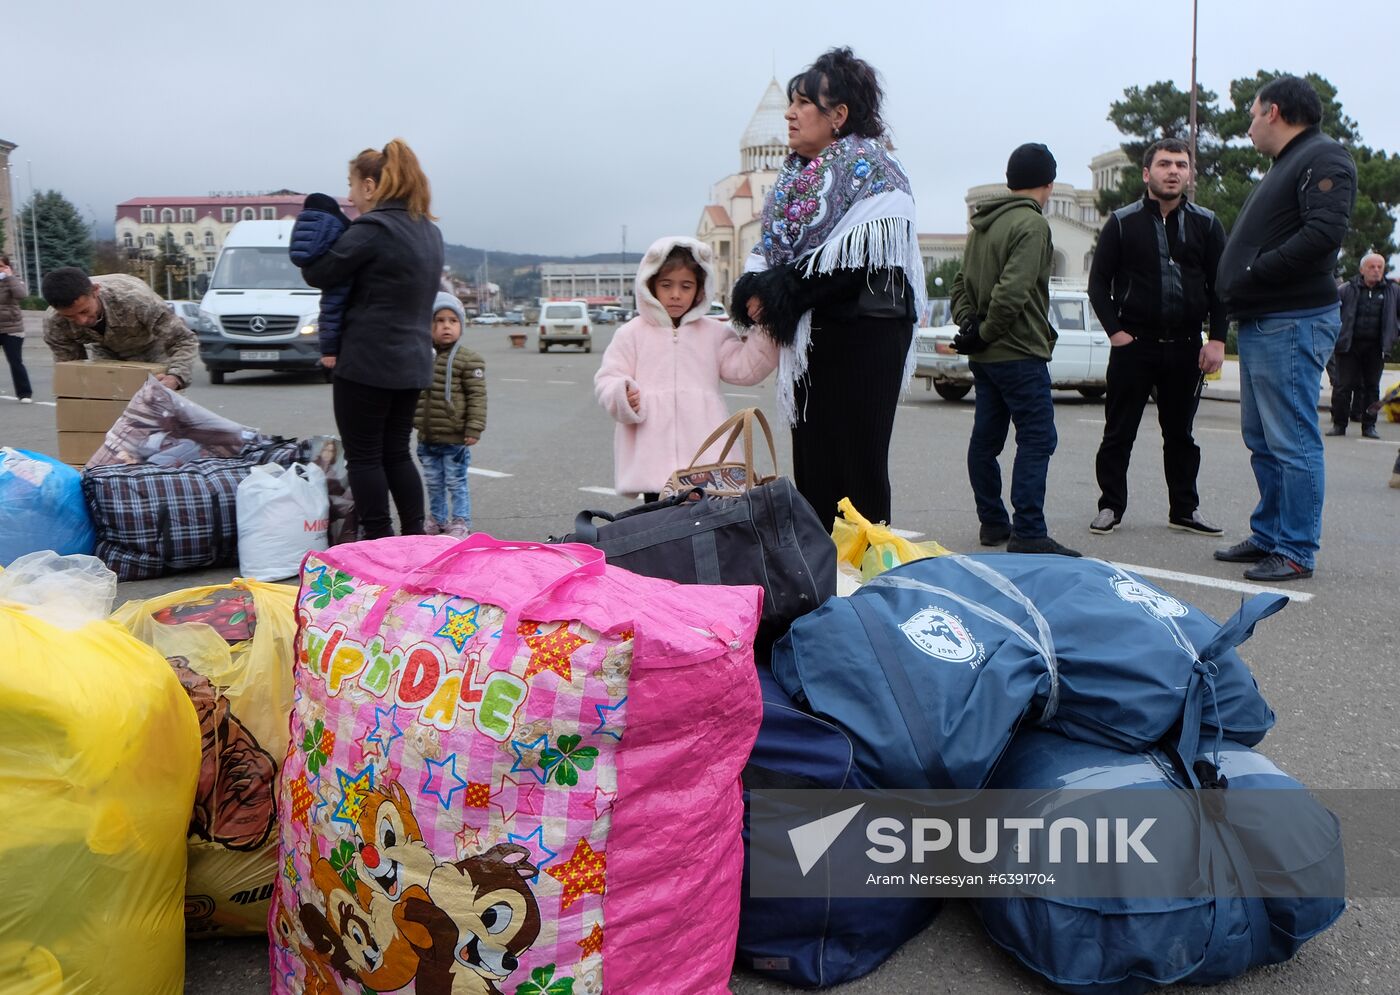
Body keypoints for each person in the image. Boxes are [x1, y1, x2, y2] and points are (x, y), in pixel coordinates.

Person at [729, 47, 923, 527]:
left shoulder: (876, 171)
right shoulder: (794, 180)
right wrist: (755, 288)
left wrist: (780, 290)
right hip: (813, 341)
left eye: (803, 104)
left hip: (866, 339)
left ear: (838, 115)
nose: (790, 115)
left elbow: (859, 260)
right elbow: (774, 251)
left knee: (857, 470)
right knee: (813, 468)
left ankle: (866, 581)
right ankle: (822, 581)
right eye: (789, 104)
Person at [1214, 75, 1357, 582]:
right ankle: (1271, 534)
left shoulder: (1324, 157)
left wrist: (1250, 272)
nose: (1249, 125)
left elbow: (1323, 235)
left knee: (1292, 440)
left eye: (1252, 115)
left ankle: (1295, 549)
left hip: (1292, 321)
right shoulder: (1288, 163)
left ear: (1273, 111)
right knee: (1263, 438)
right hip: (1264, 322)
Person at [298, 139, 444, 539]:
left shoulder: (373, 228)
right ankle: (415, 536)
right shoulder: (429, 232)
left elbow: (320, 273)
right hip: (413, 362)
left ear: (369, 185)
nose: (348, 196)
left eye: (351, 184)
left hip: (367, 361)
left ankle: (379, 540)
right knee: (397, 452)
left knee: (364, 456)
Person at [1087, 137, 1227, 538]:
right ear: (1147, 173)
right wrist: (1116, 333)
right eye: (1165, 164)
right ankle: (1110, 505)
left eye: (1181, 165)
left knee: (1181, 434)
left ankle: (1184, 508)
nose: (1173, 172)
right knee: (1119, 431)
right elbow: (1099, 284)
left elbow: (1220, 286)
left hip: (1186, 347)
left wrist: (1216, 339)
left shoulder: (1207, 223)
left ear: (1189, 174)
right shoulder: (1122, 222)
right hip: (1135, 346)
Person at [949, 143, 1080, 557]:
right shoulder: (1033, 225)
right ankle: (1029, 530)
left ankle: (992, 522)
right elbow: (1014, 291)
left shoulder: (982, 224)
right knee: (1038, 438)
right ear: (1048, 184)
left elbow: (959, 284)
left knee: (986, 441)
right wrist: (986, 331)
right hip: (1019, 351)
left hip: (986, 357)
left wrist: (969, 325)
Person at [596, 236, 777, 500]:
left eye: (686, 285)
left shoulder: (715, 333)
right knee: (659, 530)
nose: (676, 294)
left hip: (707, 461)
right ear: (650, 285)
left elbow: (745, 369)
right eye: (666, 285)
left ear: (700, 289)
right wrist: (623, 394)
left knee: (706, 532)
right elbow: (607, 379)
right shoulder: (631, 334)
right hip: (652, 463)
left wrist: (767, 327)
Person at [41, 268, 196, 389]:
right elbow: (72, 367)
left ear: (95, 291)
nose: (81, 321)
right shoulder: (55, 322)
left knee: (159, 408)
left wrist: (175, 377)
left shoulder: (136, 300)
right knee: (107, 400)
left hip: (152, 346)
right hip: (105, 349)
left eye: (84, 311)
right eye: (71, 317)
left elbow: (184, 340)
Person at [415, 292, 485, 538]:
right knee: (433, 483)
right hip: (427, 438)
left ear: (461, 326)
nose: (446, 326)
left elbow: (477, 397)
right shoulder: (421, 356)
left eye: (452, 321)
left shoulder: (469, 360)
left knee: (456, 483)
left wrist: (474, 427)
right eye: (439, 321)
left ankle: (460, 521)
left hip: (456, 438)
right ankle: (437, 519)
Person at [1329, 253, 1397, 438]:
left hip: (1376, 348)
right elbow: (1332, 312)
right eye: (1371, 267)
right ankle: (1339, 424)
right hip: (1349, 346)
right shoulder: (1346, 289)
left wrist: (1394, 332)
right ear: (1362, 270)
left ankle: (1369, 426)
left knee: (1372, 388)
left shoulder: (1393, 291)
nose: (1376, 271)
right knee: (1342, 387)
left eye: (1379, 267)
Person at [0, 254, 32, 402]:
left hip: (12, 328)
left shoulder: (15, 280)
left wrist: (9, 277)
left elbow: (21, 295)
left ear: (7, 267)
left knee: (15, 361)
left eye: (1, 266)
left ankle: (24, 393)